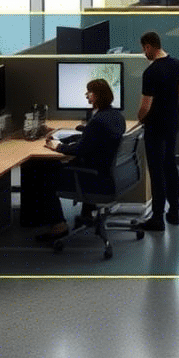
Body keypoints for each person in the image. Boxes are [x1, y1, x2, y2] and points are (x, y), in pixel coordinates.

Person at [35, 78, 126, 242]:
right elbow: (91, 139)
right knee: (53, 165)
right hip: (106, 174)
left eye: (89, 93)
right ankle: (87, 212)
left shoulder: (97, 121)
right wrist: (67, 138)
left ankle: (58, 225)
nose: (86, 96)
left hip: (92, 178)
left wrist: (57, 146)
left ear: (98, 96)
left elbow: (80, 150)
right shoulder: (116, 116)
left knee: (45, 174)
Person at [138, 31, 179, 230]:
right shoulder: (177, 64)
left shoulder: (150, 73)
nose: (144, 53)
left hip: (155, 126)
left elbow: (145, 106)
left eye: (144, 49)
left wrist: (139, 118)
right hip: (172, 122)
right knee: (170, 166)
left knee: (156, 171)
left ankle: (157, 217)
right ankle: (174, 211)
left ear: (149, 46)